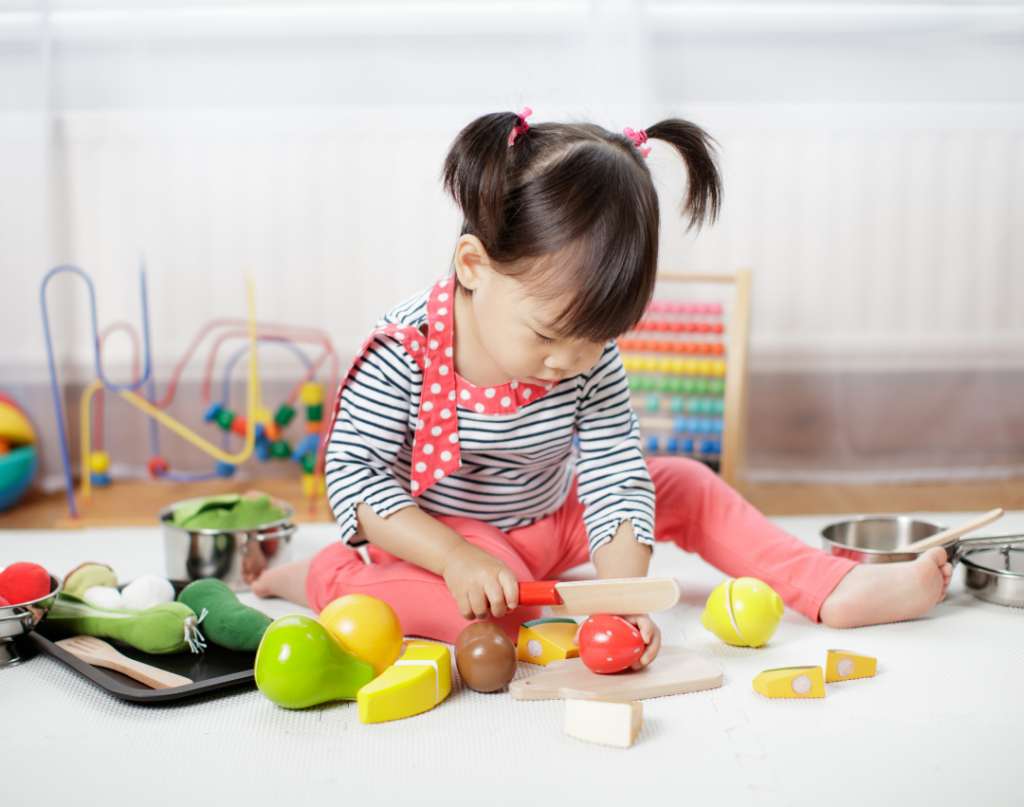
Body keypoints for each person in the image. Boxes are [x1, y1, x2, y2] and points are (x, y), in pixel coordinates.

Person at [252, 109, 952, 669]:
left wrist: (618, 599)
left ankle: (828, 585)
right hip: (442, 536)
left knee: (682, 481)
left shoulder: (587, 358)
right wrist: (455, 556)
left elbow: (616, 475)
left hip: (550, 520)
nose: (568, 363)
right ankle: (322, 574)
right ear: (473, 265)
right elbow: (358, 473)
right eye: (550, 335)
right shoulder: (403, 350)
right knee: (487, 603)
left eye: (593, 341)